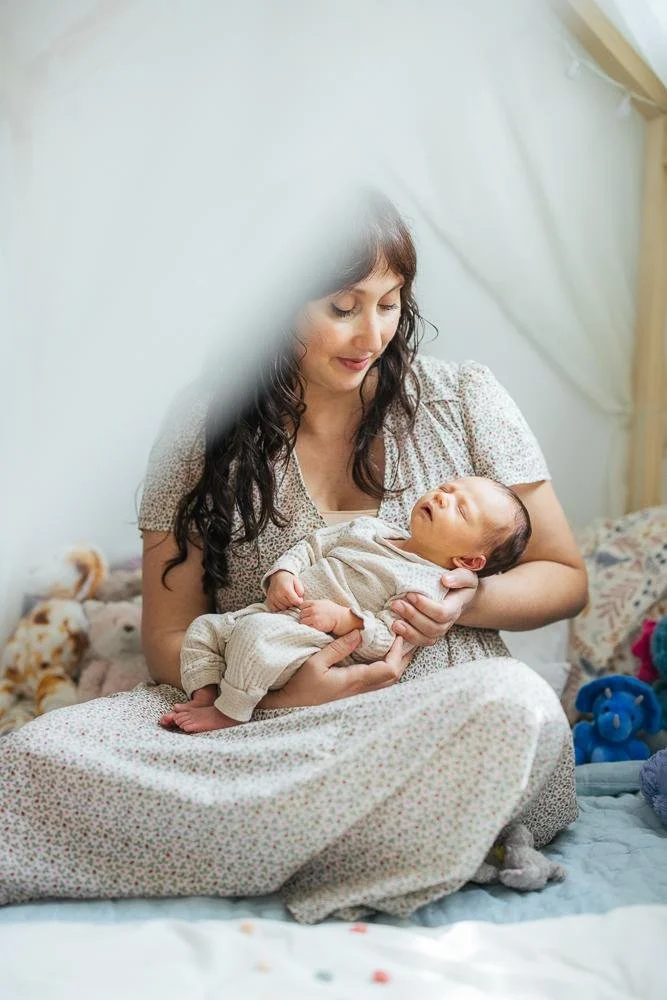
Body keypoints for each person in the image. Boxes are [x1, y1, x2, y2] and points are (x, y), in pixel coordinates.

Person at [0, 191, 586, 924]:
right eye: (341, 307)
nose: (370, 332)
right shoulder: (199, 425)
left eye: (389, 302)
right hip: (254, 724)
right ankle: (347, 837)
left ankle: (263, 838)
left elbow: (564, 577)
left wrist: (467, 598)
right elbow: (165, 641)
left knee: (517, 706)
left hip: (431, 720)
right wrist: (281, 693)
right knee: (35, 759)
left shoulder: (462, 398)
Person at [164, 475, 532, 732]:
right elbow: (313, 545)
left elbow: (391, 637)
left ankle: (230, 713)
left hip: (313, 643)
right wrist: (283, 574)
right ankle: (206, 693)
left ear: (469, 562)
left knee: (255, 638)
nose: (441, 497)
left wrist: (347, 620)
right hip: (278, 612)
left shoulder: (427, 585)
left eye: (461, 509)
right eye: (446, 488)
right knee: (205, 628)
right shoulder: (370, 529)